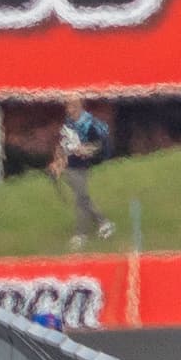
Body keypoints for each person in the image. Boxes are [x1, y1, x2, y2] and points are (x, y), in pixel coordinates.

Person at [50, 94, 114, 248]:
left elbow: (100, 144)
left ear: (79, 107)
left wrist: (86, 150)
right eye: (67, 106)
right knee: (83, 198)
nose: (68, 109)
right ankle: (104, 223)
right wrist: (57, 162)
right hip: (68, 165)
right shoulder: (69, 122)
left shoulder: (89, 124)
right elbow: (62, 143)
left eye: (71, 106)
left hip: (81, 166)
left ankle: (81, 235)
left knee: (80, 200)